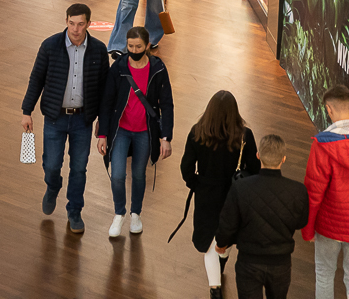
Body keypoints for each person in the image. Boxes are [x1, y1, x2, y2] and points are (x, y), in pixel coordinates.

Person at [21, 3, 109, 234]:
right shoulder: (50, 46)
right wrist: (26, 111)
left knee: (79, 168)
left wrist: (102, 120)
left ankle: (75, 211)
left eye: (81, 24)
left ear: (89, 24)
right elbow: (36, 79)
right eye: (71, 23)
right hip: (54, 117)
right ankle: (53, 186)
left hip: (82, 120)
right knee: (51, 165)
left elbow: (104, 89)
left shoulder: (99, 50)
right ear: (66, 21)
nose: (76, 29)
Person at [178, 91, 261, 297]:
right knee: (229, 236)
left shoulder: (197, 132)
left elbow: (186, 167)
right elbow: (256, 169)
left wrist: (196, 184)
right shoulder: (244, 135)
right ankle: (221, 263)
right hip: (235, 194)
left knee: (209, 243)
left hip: (206, 194)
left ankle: (215, 290)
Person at [96, 25, 175, 238]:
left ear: (147, 46)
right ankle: (119, 213)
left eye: (138, 46)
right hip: (120, 129)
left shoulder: (157, 69)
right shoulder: (119, 68)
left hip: (144, 132)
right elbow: (106, 102)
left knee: (139, 174)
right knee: (118, 174)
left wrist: (165, 137)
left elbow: (166, 103)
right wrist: (102, 134)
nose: (133, 49)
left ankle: (136, 214)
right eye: (130, 46)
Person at [218, 135, 310, 299]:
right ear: (283, 159)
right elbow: (301, 222)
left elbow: (228, 222)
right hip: (281, 263)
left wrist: (221, 243)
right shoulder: (298, 191)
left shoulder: (240, 188)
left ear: (258, 155)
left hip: (248, 261)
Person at [303, 84, 349, 299]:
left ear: (329, 110)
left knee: (324, 274)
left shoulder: (322, 144)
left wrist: (308, 228)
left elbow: (314, 192)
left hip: (329, 226)